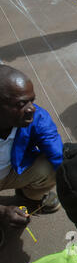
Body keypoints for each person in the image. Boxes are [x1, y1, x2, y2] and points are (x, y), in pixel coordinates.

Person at [0, 65, 62, 238]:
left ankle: (28, 198)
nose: (31, 108)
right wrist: (3, 212)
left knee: (50, 168)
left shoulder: (35, 117)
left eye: (31, 101)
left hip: (11, 171)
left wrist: (74, 182)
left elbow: (57, 153)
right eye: (21, 103)